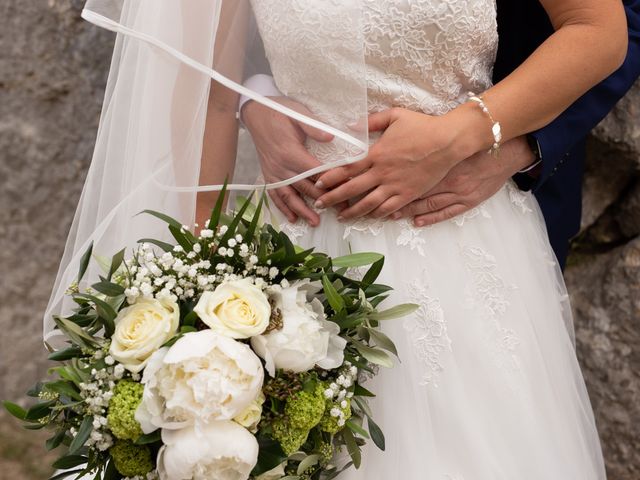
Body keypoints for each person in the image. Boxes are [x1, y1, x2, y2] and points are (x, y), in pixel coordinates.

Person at [49, 1, 630, 479]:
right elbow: (212, 85)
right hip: (301, 252)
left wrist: (463, 134)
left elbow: (600, 31)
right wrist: (201, 274)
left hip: (462, 240)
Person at [241, 0, 640, 268]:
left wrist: (495, 141)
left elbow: (610, 28)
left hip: (469, 218)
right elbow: (208, 34)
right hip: (292, 217)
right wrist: (251, 98)